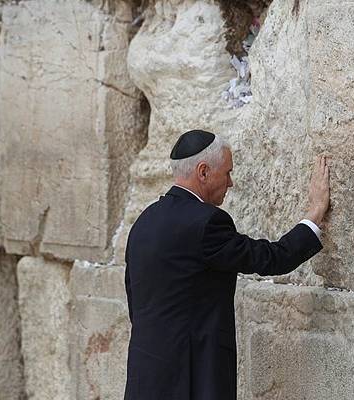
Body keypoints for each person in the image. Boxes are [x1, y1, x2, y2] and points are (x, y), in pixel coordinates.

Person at [123, 129, 330, 400]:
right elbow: (271, 258)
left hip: (145, 376)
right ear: (204, 172)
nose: (230, 183)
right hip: (191, 380)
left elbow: (135, 300)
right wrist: (315, 211)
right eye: (227, 172)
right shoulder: (207, 223)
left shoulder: (144, 222)